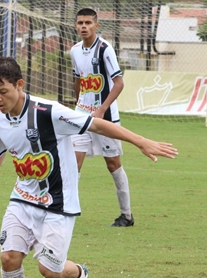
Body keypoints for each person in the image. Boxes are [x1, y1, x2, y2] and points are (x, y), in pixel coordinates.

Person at [0, 57, 177, 278]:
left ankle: (79, 277)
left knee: (50, 272)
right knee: (9, 259)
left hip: (58, 206)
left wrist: (141, 141)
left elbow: (97, 125)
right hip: (22, 199)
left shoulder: (48, 112)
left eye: (3, 92)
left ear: (19, 85)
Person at [71, 8, 133, 227]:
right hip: (81, 116)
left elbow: (119, 83)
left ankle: (126, 215)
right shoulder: (75, 50)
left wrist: (102, 108)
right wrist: (78, 104)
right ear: (76, 25)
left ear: (96, 25)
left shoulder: (105, 49)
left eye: (88, 22)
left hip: (105, 116)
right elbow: (78, 80)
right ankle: (68, 211)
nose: (84, 26)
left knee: (113, 164)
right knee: (73, 163)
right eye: (80, 23)